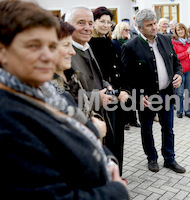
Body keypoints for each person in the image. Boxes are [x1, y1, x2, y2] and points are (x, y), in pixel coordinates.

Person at [0, 1, 129, 199]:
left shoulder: (37, 92)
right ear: (3, 51)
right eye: (33, 45)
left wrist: (107, 162)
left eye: (52, 46)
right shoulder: (9, 118)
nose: (47, 56)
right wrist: (117, 190)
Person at [121, 9, 186, 173]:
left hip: (167, 94)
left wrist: (178, 74)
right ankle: (152, 158)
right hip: (147, 98)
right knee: (147, 129)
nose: (154, 27)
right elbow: (126, 78)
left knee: (168, 128)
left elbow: (176, 62)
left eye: (155, 23)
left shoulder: (166, 39)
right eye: (149, 25)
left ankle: (170, 159)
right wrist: (137, 95)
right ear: (139, 27)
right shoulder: (130, 47)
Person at [87, 6, 130, 177]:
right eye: (101, 21)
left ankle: (117, 173)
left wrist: (124, 90)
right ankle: (108, 176)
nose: (106, 25)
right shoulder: (89, 44)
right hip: (104, 99)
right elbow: (97, 76)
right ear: (94, 22)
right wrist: (115, 92)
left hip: (119, 97)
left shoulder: (111, 42)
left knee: (118, 139)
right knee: (107, 140)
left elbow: (121, 69)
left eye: (108, 22)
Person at [112, 22, 141, 129]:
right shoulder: (115, 43)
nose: (128, 32)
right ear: (120, 30)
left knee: (132, 96)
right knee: (124, 97)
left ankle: (133, 119)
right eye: (125, 30)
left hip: (131, 73)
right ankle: (125, 121)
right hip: (121, 73)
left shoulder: (129, 42)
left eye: (129, 30)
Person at [172, 23, 190, 119]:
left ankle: (188, 111)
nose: (180, 31)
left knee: (189, 91)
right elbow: (175, 57)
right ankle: (179, 111)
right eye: (178, 30)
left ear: (185, 30)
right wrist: (186, 53)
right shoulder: (173, 42)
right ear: (176, 32)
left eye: (181, 29)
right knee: (179, 92)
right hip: (179, 70)